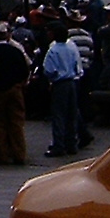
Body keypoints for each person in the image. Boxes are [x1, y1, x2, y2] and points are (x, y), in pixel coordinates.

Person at [0, 22, 31, 165]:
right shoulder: (15, 51)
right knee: (16, 123)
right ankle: (19, 154)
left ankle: (1, 155)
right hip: (14, 90)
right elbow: (24, 69)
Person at [42, 21, 84, 157]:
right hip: (71, 81)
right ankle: (71, 143)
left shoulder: (53, 50)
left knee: (58, 115)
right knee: (71, 114)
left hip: (59, 83)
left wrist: (51, 78)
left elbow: (49, 69)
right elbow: (77, 65)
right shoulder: (71, 48)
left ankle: (58, 145)